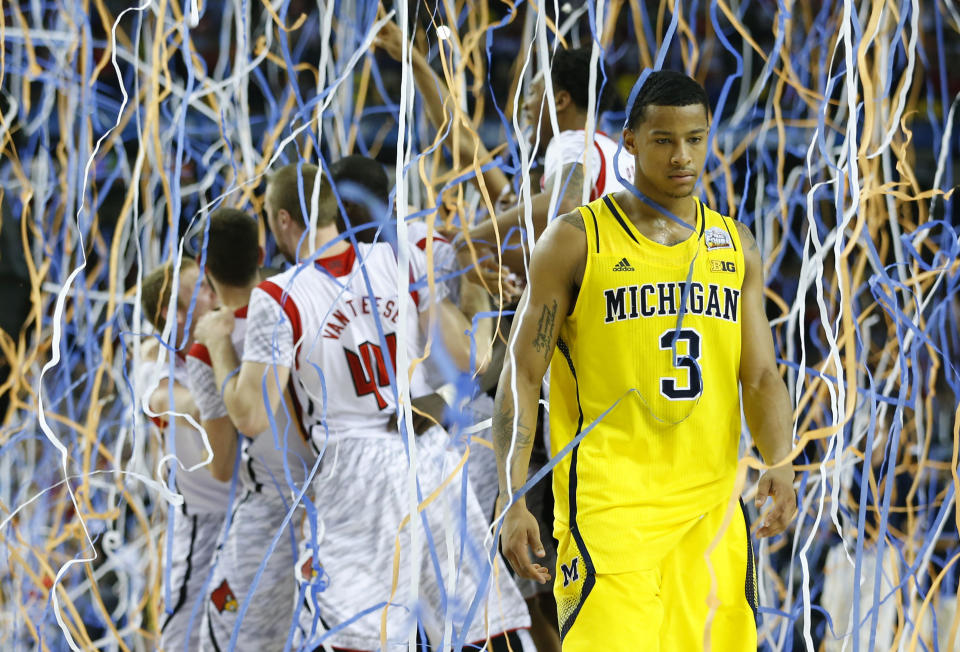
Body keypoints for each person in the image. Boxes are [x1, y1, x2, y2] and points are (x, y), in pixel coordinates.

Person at [492, 70, 798, 650]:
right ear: (628, 141)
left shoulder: (735, 247)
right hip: (609, 519)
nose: (682, 156)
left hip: (711, 519)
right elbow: (522, 372)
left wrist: (780, 460)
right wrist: (512, 498)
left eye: (695, 139)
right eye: (664, 140)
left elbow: (759, 375)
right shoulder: (576, 241)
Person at [194, 162, 532, 650]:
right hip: (427, 451)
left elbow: (249, 414)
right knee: (482, 622)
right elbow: (467, 358)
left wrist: (220, 348)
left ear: (283, 220)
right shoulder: (400, 256)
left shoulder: (279, 294)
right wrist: (478, 306)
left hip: (355, 469)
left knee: (359, 634)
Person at [187, 207, 315, 650]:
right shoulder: (305, 307)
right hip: (332, 504)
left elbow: (222, 466)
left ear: (205, 271)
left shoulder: (208, 350)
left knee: (224, 634)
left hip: (270, 518)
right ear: (261, 253)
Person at [138, 258, 228, 651]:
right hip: (202, 528)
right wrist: (232, 401)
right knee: (183, 640)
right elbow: (166, 401)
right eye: (203, 288)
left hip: (260, 516)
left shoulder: (230, 341)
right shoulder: (153, 361)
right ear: (170, 309)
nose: (213, 294)